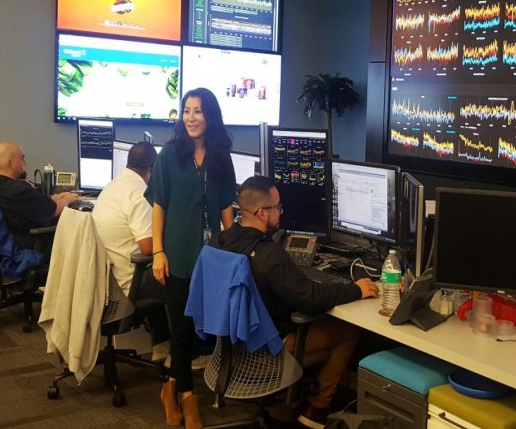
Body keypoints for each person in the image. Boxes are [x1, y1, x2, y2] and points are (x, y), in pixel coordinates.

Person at [219, 175, 379, 429]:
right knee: (347, 329)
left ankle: (298, 400)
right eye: (277, 207)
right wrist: (356, 290)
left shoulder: (223, 241)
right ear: (262, 213)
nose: (281, 213)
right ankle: (316, 407)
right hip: (270, 347)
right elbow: (310, 298)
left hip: (234, 344)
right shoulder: (268, 254)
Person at [146, 87, 236, 429]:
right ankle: (188, 398)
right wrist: (158, 251)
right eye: (186, 111)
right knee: (181, 331)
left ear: (209, 116)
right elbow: (159, 206)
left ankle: (169, 389)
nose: (191, 117)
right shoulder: (170, 154)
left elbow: (227, 207)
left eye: (197, 111)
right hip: (177, 256)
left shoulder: (220, 157)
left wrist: (232, 250)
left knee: (196, 332)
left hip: (210, 258)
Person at [91, 141, 169, 360]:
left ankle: (162, 344)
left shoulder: (113, 186)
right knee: (182, 276)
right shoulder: (138, 193)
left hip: (108, 278)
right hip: (127, 282)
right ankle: (185, 351)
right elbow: (147, 247)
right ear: (153, 167)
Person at [0, 141, 80, 260]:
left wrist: (54, 198)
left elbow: (34, 202)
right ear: (11, 163)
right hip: (31, 246)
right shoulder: (19, 190)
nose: (24, 161)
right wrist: (68, 199)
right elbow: (55, 210)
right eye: (22, 158)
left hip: (13, 244)